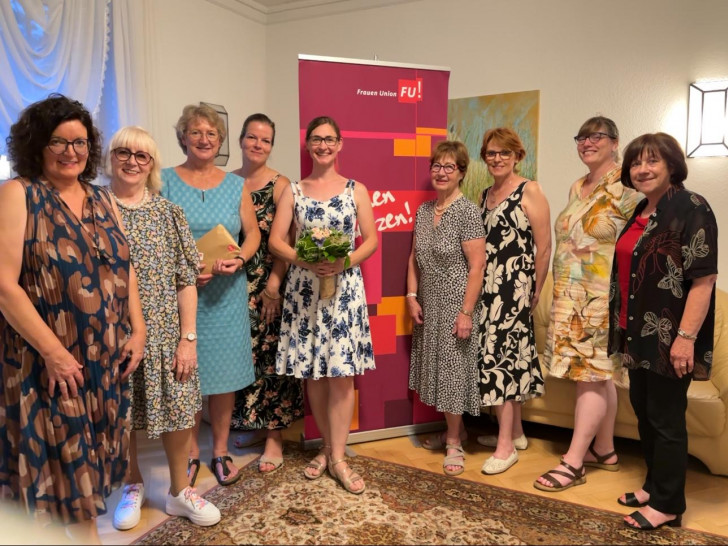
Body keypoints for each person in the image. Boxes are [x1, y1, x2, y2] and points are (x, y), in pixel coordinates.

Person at [0, 94, 146, 544]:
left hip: (103, 360)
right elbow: (4, 284)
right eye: (58, 142)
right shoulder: (19, 194)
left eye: (80, 142)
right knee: (64, 470)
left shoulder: (103, 199)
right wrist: (54, 353)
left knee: (90, 466)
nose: (71, 152)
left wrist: (137, 329)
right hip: (46, 360)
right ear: (37, 145)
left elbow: (125, 266)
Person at [107, 126, 221, 529]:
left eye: (142, 156)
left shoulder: (168, 213)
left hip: (166, 334)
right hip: (112, 335)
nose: (132, 162)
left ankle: (178, 491)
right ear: (110, 157)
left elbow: (185, 279)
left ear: (152, 164)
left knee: (177, 410)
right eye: (124, 153)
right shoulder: (93, 210)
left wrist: (187, 338)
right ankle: (131, 483)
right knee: (121, 413)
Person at [609, 133, 717, 531]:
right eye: (636, 162)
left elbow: (703, 280)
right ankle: (655, 485)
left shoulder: (691, 207)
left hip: (670, 336)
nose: (643, 169)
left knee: (666, 419)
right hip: (636, 332)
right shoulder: (642, 210)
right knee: (644, 412)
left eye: (652, 161)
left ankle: (669, 504)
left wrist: (685, 338)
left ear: (672, 165)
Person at [269, 115, 377, 495]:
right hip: (304, 290)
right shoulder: (293, 191)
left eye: (330, 139)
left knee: (341, 374)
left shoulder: (355, 190)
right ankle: (328, 450)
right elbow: (276, 242)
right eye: (316, 139)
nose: (323, 145)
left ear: (340, 144)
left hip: (343, 290)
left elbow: (371, 240)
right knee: (313, 373)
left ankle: (339, 456)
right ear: (308, 144)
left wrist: (344, 261)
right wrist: (305, 260)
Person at [533, 117, 642, 492]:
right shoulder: (578, 185)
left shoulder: (628, 186)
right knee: (600, 375)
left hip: (599, 298)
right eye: (582, 137)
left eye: (598, 136)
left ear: (615, 143)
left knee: (590, 377)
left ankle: (574, 463)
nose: (588, 143)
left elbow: (634, 244)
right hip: (570, 294)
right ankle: (606, 450)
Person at [161, 104, 261, 488]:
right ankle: (190, 454)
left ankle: (220, 451)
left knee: (223, 379)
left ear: (220, 142)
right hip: (183, 297)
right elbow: (160, 240)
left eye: (212, 134)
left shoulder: (236, 185)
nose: (204, 139)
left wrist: (241, 257)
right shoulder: (165, 181)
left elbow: (251, 234)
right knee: (186, 376)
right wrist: (189, 274)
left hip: (227, 295)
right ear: (183, 137)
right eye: (196, 132)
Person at [229, 114, 304, 472]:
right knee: (243, 354)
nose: (258, 145)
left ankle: (274, 437)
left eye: (266, 140)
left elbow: (285, 240)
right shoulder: (226, 182)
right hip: (232, 284)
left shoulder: (280, 184)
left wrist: (273, 285)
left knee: (272, 355)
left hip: (270, 282)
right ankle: (252, 422)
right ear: (241, 140)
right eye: (252, 138)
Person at [407, 141, 486, 476]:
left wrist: (466, 312)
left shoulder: (467, 212)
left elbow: (477, 266)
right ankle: (457, 430)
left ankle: (454, 440)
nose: (441, 172)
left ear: (462, 173)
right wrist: (411, 296)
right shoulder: (425, 211)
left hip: (456, 303)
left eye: (449, 167)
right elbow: (414, 257)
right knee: (438, 369)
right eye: (436, 166)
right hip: (428, 301)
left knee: (453, 370)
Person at [476, 127, 551, 475]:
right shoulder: (483, 194)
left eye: (504, 153)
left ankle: (506, 448)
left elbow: (544, 245)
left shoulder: (529, 190)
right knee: (499, 356)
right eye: (491, 153)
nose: (497, 158)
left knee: (503, 360)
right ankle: (516, 433)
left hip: (515, 289)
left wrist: (535, 287)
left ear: (517, 156)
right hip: (487, 289)